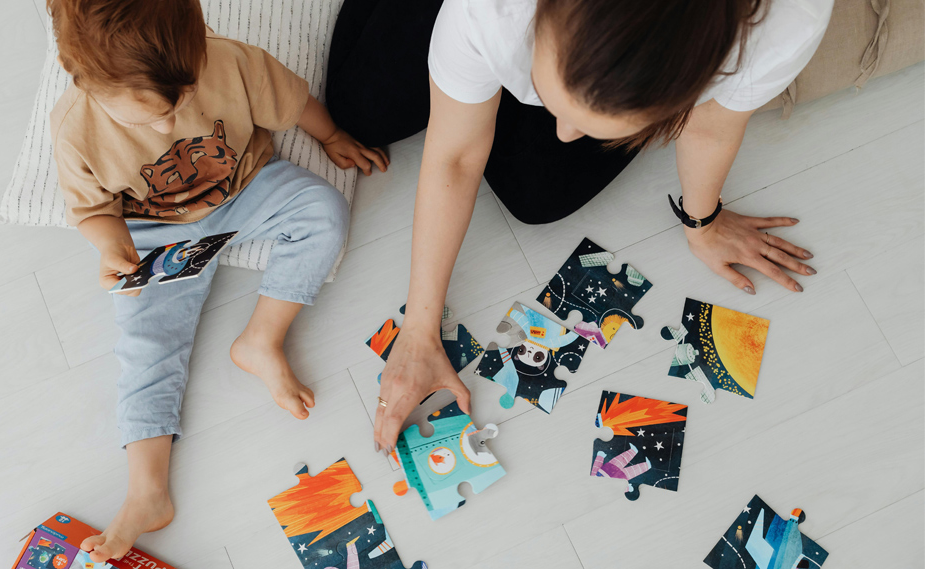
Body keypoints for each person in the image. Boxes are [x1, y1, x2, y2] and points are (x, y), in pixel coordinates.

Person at [325, 0, 831, 452]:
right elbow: (454, 158)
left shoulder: (787, 20)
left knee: (537, 195)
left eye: (590, 123)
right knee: (356, 111)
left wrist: (703, 221)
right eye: (554, 98)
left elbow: (711, 126)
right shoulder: (492, 10)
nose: (566, 134)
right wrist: (417, 330)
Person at [47, 0, 387, 561]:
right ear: (81, 79)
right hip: (151, 232)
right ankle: (147, 489)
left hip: (247, 186)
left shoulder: (228, 61)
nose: (167, 123)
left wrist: (331, 136)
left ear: (201, 35)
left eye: (180, 100)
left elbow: (294, 100)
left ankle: (261, 339)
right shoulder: (74, 128)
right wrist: (111, 245)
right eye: (145, 118)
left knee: (323, 211)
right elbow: (91, 209)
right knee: (145, 341)